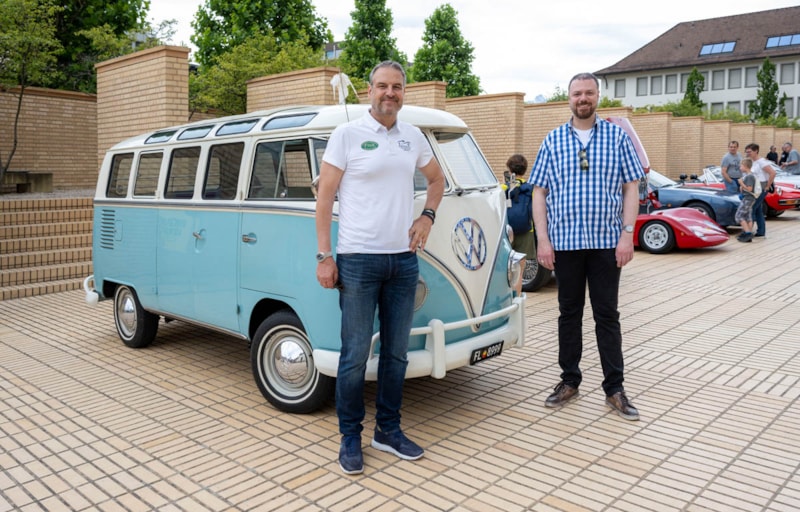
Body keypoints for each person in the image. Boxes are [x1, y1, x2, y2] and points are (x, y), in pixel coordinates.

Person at [315, 60, 445, 475]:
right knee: (355, 355)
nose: (390, 93)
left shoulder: (412, 137)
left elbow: (437, 181)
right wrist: (324, 256)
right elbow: (324, 197)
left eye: (397, 87)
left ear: (404, 92)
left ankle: (387, 430)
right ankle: (350, 436)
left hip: (403, 261)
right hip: (357, 260)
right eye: (383, 86)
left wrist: (427, 217)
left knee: (396, 354)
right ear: (369, 91)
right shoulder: (347, 135)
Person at [530, 72, 645, 421]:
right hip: (565, 244)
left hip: (607, 244)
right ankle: (569, 381)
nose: (583, 98)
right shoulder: (552, 140)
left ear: (598, 96)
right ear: (569, 98)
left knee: (607, 315)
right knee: (569, 314)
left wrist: (627, 235)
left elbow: (632, 186)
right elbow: (539, 192)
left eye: (589, 93)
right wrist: (543, 240)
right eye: (577, 93)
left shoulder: (617, 137)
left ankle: (614, 388)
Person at [503, 153, 533, 294]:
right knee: (519, 270)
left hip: (507, 231)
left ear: (509, 169)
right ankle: (517, 297)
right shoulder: (530, 188)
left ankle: (505, 298)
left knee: (504, 267)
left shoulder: (503, 188)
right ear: (524, 169)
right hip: (526, 231)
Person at [743, 143, 777, 238]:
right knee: (758, 210)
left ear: (756, 151)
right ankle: (761, 231)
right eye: (746, 152)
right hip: (754, 188)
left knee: (752, 208)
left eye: (749, 152)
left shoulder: (762, 162)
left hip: (760, 188)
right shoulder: (752, 162)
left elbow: (773, 173)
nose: (747, 153)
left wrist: (767, 186)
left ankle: (748, 232)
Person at [735, 158, 757, 243]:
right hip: (749, 198)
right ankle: (748, 234)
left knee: (739, 216)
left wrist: (741, 183)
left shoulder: (749, 176)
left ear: (745, 166)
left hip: (748, 199)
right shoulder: (749, 176)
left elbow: (749, 189)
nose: (740, 167)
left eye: (741, 166)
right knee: (747, 217)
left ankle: (748, 233)